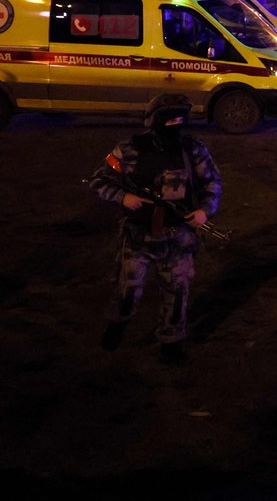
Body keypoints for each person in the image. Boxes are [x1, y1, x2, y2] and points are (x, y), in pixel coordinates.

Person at [88, 94, 222, 366]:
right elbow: (99, 180)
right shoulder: (128, 150)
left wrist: (204, 211)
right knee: (128, 291)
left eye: (179, 119)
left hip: (178, 237)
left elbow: (212, 183)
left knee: (177, 293)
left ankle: (171, 342)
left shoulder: (192, 149)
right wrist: (123, 198)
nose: (175, 124)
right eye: (169, 119)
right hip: (138, 236)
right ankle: (118, 324)